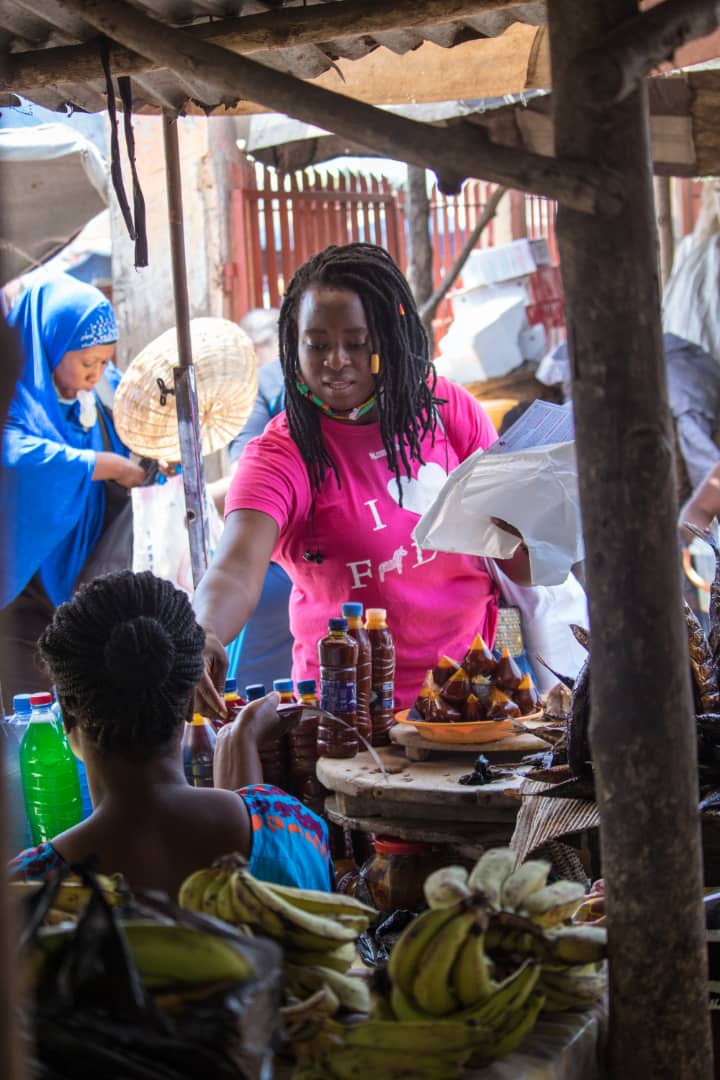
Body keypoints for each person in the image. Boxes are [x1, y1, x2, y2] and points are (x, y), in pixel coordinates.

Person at [193, 243, 531, 717]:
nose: (335, 360)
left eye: (355, 342)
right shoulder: (280, 455)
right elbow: (234, 568)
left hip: (471, 706)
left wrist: (542, 527)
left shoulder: (447, 410)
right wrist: (204, 632)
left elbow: (519, 562)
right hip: (350, 723)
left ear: (386, 340)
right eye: (317, 344)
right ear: (294, 345)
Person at [7, 570, 334, 896]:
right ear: (192, 698)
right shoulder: (293, 832)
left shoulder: (25, 889)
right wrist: (241, 742)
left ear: (65, 713)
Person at [0, 274, 146, 699]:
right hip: (23, 597)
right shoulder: (13, 394)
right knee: (36, 715)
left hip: (88, 589)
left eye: (104, 361)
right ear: (50, 345)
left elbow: (138, 431)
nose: (97, 372)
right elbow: (15, 459)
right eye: (86, 363)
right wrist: (102, 464)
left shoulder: (103, 390)